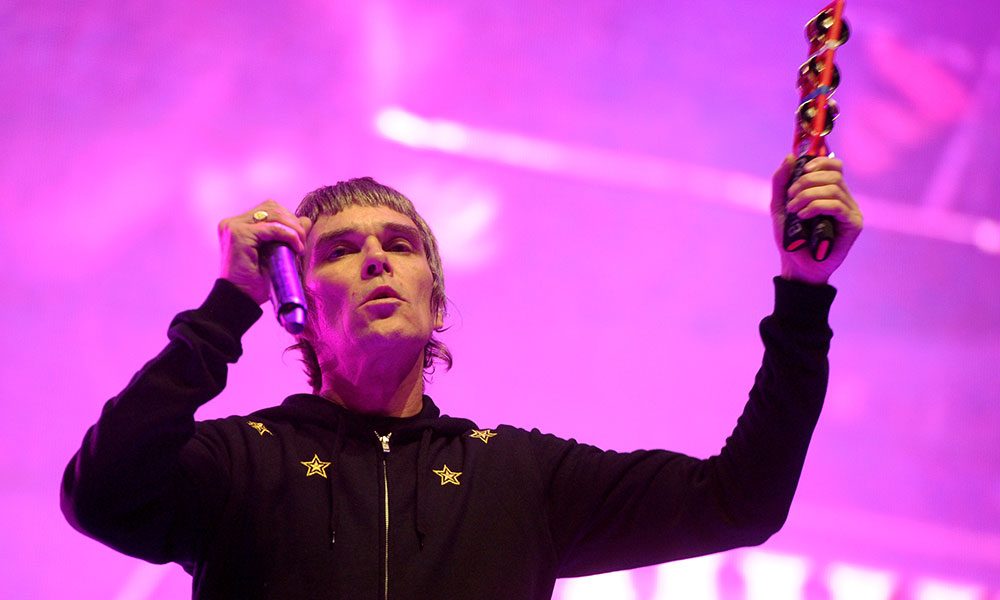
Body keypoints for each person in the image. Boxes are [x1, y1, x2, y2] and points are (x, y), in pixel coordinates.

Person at [61, 155, 863, 600]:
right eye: (339, 251)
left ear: (434, 298)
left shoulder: (517, 476)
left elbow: (741, 502)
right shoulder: (241, 463)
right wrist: (227, 305)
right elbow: (100, 494)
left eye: (399, 245)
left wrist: (802, 292)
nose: (375, 256)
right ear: (296, 297)